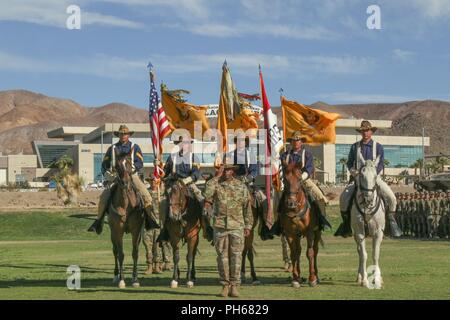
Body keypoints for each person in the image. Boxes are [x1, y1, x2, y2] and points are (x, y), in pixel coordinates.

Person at [87, 125, 159, 234]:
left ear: (129, 135)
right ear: (118, 135)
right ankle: (98, 222)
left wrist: (130, 170)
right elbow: (104, 164)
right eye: (121, 134)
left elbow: (140, 162)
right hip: (116, 176)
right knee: (103, 197)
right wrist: (108, 175)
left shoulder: (135, 147)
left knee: (146, 195)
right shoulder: (112, 148)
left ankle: (150, 220)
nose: (123, 136)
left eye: (125, 134)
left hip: (132, 175)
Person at [336, 120, 402, 238]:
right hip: (357, 178)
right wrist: (354, 173)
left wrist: (373, 174)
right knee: (343, 198)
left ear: (371, 132)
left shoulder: (378, 147)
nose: (365, 133)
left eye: (367, 130)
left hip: (374, 178)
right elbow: (350, 163)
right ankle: (346, 225)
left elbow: (381, 163)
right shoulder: (354, 147)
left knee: (392, 197)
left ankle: (391, 222)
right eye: (363, 131)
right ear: (361, 132)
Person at [204, 163, 253, 298]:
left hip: (237, 226)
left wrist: (248, 225)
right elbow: (207, 194)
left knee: (236, 257)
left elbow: (247, 207)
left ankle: (234, 286)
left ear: (233, 171)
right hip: (220, 226)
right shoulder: (216, 184)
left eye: (229, 170)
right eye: (224, 169)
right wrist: (216, 177)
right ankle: (225, 285)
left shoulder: (240, 186)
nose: (226, 172)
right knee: (222, 257)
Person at [272, 131, 331, 235]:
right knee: (278, 199)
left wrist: (301, 177)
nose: (296, 142)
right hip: (289, 182)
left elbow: (309, 168)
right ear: (291, 142)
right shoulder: (285, 155)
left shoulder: (307, 154)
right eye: (294, 140)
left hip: (304, 180)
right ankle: (278, 223)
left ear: (301, 142)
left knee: (319, 196)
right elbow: (280, 167)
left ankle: (322, 219)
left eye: (298, 140)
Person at [143, 177, 164, 275]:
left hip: (158, 224)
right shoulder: (145, 193)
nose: (153, 183)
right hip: (148, 224)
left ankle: (157, 266)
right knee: (148, 246)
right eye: (151, 181)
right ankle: (149, 266)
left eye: (154, 181)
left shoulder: (162, 194)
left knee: (157, 246)